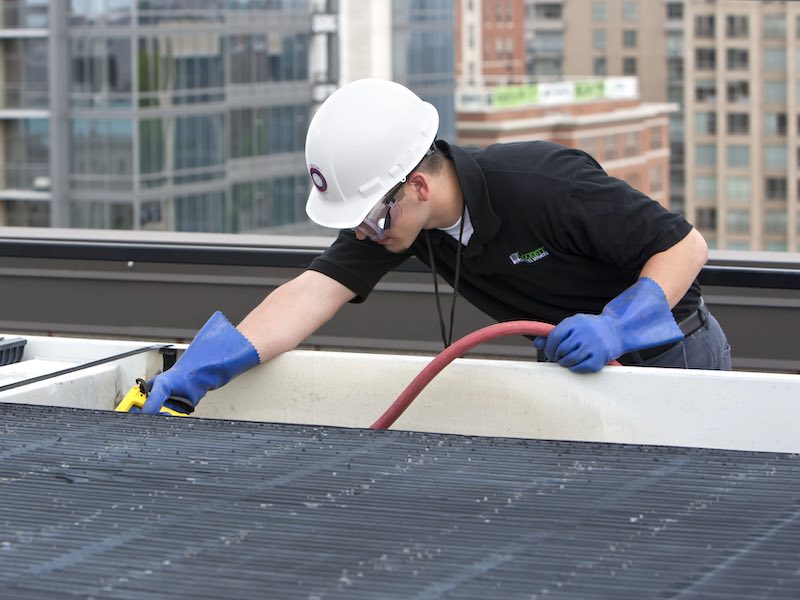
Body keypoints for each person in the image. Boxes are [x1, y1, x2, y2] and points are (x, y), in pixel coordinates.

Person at [139, 78, 731, 415]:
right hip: (578, 370)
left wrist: (618, 325)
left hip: (672, 357)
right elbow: (310, 294)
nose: (364, 233)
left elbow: (685, 245)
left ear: (417, 185)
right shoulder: (405, 222)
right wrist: (206, 365)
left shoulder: (544, 182)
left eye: (369, 217)